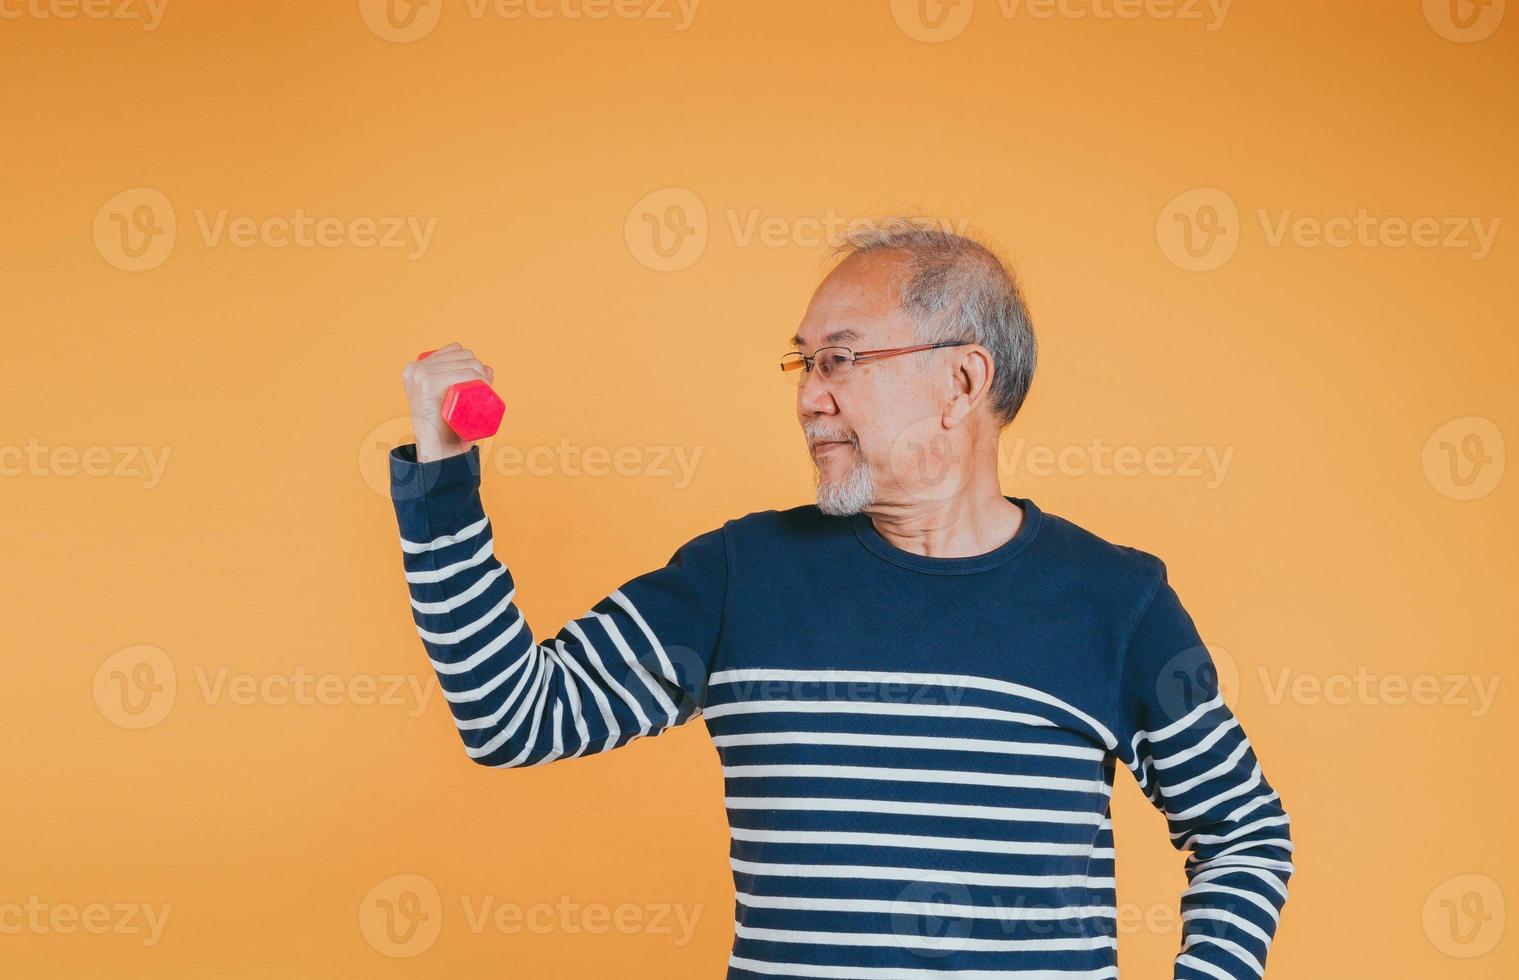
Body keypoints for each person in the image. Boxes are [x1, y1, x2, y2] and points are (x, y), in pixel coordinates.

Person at [387, 218, 1294, 978]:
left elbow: (1243, 834)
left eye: (841, 361)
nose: (809, 399)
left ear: (961, 383)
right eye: (803, 364)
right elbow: (512, 716)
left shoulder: (1116, 601)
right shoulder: (741, 575)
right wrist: (443, 474)